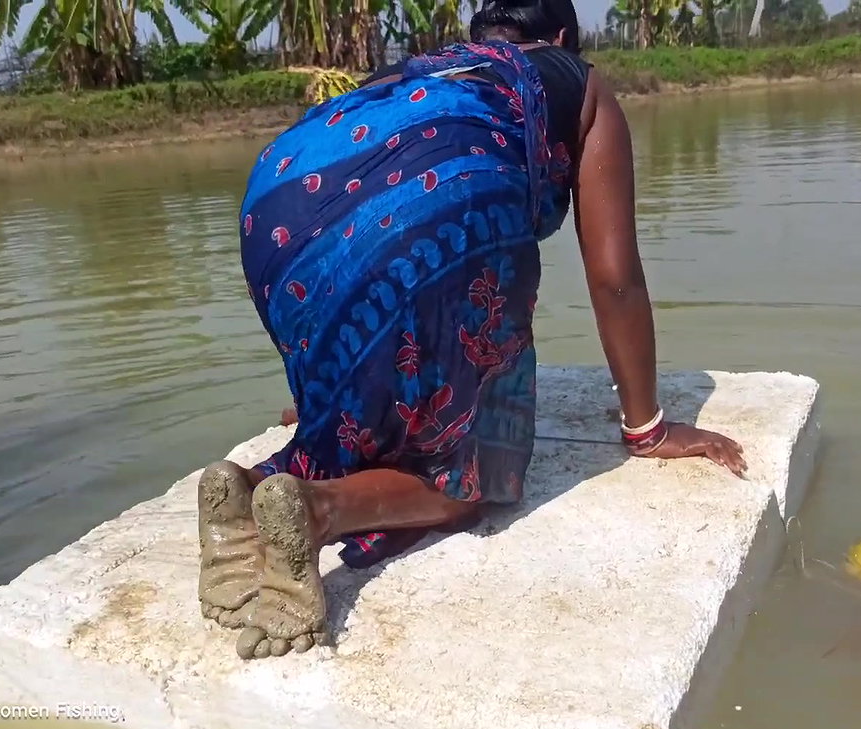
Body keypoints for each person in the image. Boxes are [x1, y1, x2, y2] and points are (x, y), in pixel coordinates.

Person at [197, 0, 747, 660]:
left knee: (369, 413)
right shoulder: (578, 81)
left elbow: (344, 200)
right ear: (564, 37)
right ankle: (316, 511)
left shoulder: (427, 69)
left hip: (276, 200)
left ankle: (248, 491)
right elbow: (614, 276)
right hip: (442, 202)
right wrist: (648, 427)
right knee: (478, 478)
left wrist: (329, 392)